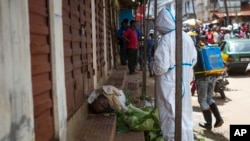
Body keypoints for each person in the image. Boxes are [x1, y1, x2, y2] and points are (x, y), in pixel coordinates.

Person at [151, 8, 197, 141]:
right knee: (185, 115)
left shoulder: (166, 39)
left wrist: (152, 66)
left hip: (169, 83)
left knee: (170, 115)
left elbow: (160, 67)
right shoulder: (186, 37)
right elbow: (194, 59)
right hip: (184, 81)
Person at [194, 44, 224, 130]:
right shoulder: (205, 49)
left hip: (202, 78)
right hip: (212, 75)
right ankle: (219, 119)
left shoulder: (195, 51)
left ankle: (208, 124)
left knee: (202, 100)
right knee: (209, 98)